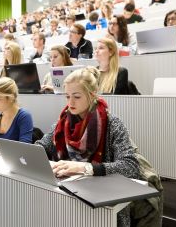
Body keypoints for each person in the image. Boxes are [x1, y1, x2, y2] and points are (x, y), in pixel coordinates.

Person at [35, 66, 140, 226]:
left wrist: (85, 168)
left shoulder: (112, 124)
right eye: (67, 96)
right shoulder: (62, 122)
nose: (70, 102)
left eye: (76, 96)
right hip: (67, 196)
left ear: (92, 95)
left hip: (104, 205)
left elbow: (131, 166)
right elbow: (42, 146)